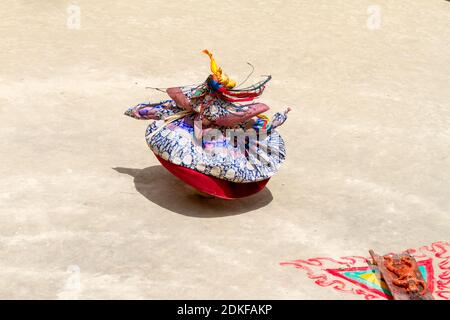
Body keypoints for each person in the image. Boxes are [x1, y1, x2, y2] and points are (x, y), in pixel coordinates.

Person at [125, 50, 290, 199]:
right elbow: (255, 122)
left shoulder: (194, 99)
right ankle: (207, 188)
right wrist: (277, 119)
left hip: (195, 131)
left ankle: (204, 187)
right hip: (208, 135)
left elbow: (164, 105)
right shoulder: (225, 111)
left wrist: (137, 111)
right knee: (217, 159)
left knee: (207, 157)